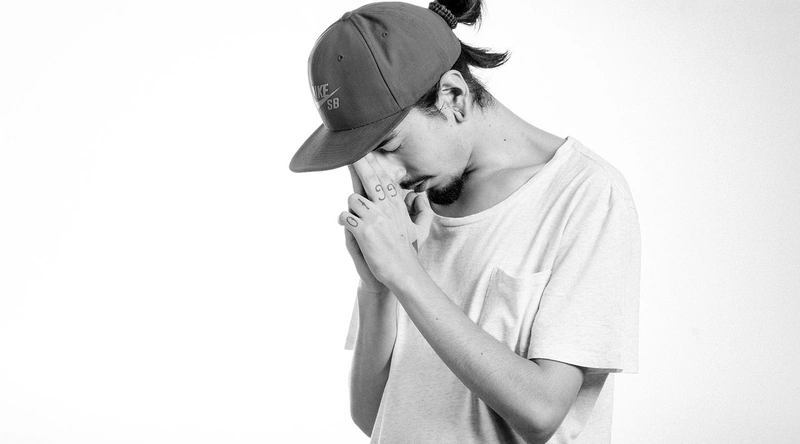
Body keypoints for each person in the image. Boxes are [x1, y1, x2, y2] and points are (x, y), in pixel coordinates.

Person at [289, 1, 641, 443]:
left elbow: (541, 412)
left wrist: (406, 273)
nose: (388, 176)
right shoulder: (411, 212)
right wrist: (376, 287)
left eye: (390, 145)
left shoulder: (584, 194)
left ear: (453, 97)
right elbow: (371, 415)